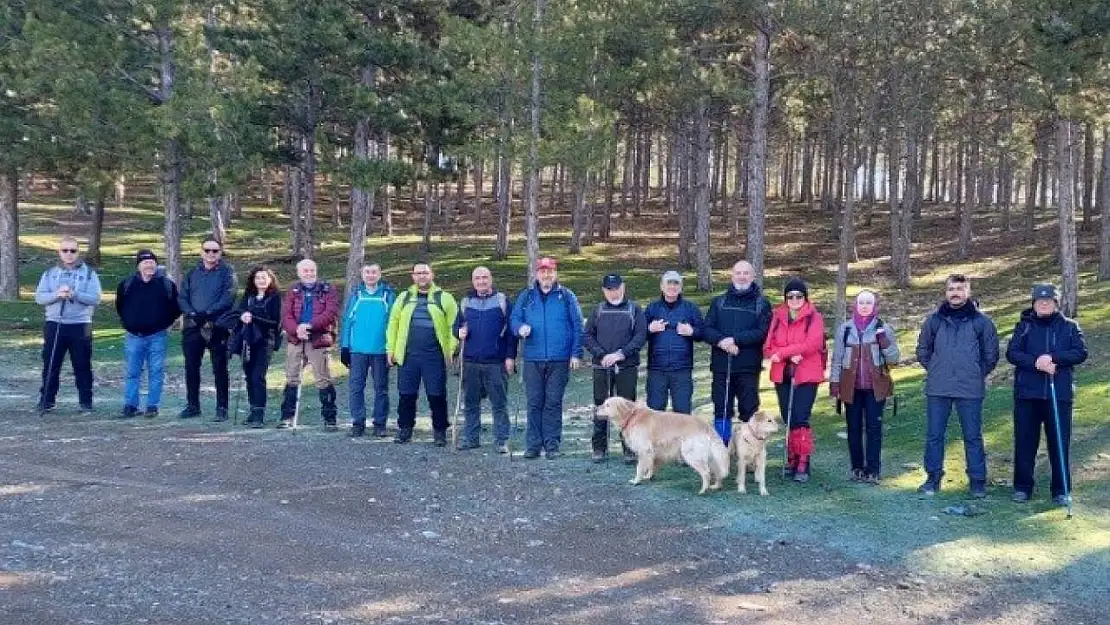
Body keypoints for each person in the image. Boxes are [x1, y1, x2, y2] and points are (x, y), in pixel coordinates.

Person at [915, 274, 999, 497]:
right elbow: (923, 350)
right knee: (934, 435)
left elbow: (991, 356)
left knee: (972, 436)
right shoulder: (934, 321)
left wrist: (974, 373)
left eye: (960, 289)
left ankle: (977, 481)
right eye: (952, 288)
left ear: (968, 292)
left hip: (969, 388)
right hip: (938, 388)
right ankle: (933, 478)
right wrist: (935, 369)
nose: (955, 293)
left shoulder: (982, 322)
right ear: (946, 292)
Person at [1005, 284, 1088, 505]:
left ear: (1056, 303)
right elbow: (1012, 353)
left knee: (1059, 442)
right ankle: (1022, 487)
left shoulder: (1069, 327)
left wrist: (1053, 358)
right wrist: (1036, 363)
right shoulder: (1024, 326)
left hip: (1058, 395)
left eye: (1048, 300)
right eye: (1039, 300)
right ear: (1033, 303)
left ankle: (1061, 490)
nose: (1043, 303)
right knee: (1025, 442)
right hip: (1027, 394)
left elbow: (1080, 352)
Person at [510, 256, 584, 460]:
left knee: (553, 402)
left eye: (550, 271)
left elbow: (578, 325)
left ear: (555, 273)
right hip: (532, 358)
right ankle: (533, 445)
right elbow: (514, 319)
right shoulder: (526, 297)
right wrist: (519, 328)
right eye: (542, 271)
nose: (546, 275)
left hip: (559, 358)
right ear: (537, 274)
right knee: (534, 402)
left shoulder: (566, 296)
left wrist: (575, 353)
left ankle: (552, 444)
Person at [829, 289, 900, 484]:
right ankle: (857, 467)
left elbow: (894, 359)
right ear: (855, 305)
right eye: (861, 302)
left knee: (874, 428)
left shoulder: (882, 327)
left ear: (874, 305)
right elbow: (837, 359)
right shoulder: (845, 330)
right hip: (850, 387)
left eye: (869, 302)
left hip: (875, 388)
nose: (865, 306)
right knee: (853, 428)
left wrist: (884, 341)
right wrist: (835, 383)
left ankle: (873, 470)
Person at [386, 262, 459, 446]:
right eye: (418, 273)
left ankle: (440, 431)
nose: (421, 276)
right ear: (413, 276)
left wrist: (451, 349)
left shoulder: (445, 298)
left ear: (431, 275)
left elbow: (454, 325)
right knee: (406, 394)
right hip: (408, 355)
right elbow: (393, 324)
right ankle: (405, 429)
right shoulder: (404, 298)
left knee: (436, 394)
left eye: (425, 273)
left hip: (434, 356)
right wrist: (391, 349)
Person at [763, 278, 827, 483]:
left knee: (800, 416)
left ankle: (803, 461)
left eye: (799, 296)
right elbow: (767, 346)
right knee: (787, 415)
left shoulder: (813, 317)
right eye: (790, 296)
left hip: (806, 372)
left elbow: (813, 343)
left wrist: (784, 353)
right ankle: (792, 457)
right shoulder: (777, 316)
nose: (794, 299)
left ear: (805, 297)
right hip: (783, 373)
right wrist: (784, 355)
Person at [701, 260, 772, 445]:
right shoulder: (719, 302)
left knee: (749, 409)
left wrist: (735, 340)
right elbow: (706, 329)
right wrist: (722, 342)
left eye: (746, 273)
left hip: (748, 367)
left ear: (752, 276)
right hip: (721, 366)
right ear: (732, 275)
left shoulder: (762, 304)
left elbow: (762, 332)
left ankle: (748, 449)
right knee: (721, 408)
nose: (742, 276)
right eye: (738, 272)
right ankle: (721, 449)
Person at [34, 236, 102, 413]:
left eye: (73, 251)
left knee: (82, 365)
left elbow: (95, 299)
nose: (69, 254)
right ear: (59, 252)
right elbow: (39, 297)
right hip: (55, 324)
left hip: (80, 325)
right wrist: (57, 294)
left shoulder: (88, 273)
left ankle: (86, 402)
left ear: (78, 252)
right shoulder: (50, 273)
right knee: (51, 363)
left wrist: (75, 294)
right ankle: (47, 401)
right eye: (65, 250)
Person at [453, 266, 517, 452]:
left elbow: (512, 333)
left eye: (485, 277)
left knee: (499, 404)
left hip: (496, 362)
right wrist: (458, 332)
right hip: (470, 362)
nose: (481, 281)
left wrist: (510, 357)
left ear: (491, 279)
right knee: (471, 403)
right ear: (473, 281)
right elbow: (456, 327)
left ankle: (501, 441)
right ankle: (471, 438)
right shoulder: (466, 302)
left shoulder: (502, 301)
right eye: (477, 278)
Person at [584, 273, 647, 463]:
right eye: (609, 289)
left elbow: (640, 336)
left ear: (623, 287)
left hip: (626, 365)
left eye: (617, 288)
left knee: (627, 406)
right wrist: (602, 355)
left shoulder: (634, 309)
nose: (614, 292)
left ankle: (629, 448)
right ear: (604, 290)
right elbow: (587, 336)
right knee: (601, 406)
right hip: (602, 366)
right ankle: (599, 448)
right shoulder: (598, 310)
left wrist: (621, 354)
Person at [177, 236, 238, 420]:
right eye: (207, 250)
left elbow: (229, 297)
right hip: (193, 326)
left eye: (215, 251)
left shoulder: (228, 273)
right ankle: (193, 405)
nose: (211, 254)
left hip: (217, 325)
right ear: (201, 252)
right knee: (191, 367)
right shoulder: (192, 273)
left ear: (220, 253)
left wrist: (209, 313)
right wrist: (193, 314)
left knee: (219, 367)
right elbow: (182, 297)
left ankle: (222, 408)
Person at [115, 249, 181, 418]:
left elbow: (176, 308)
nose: (149, 265)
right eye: (145, 262)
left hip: (157, 336)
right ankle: (130, 405)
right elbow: (120, 306)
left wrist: (164, 324)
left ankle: (152, 406)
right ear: (139, 266)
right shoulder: (127, 284)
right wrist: (129, 323)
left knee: (156, 371)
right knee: (132, 372)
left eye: (152, 262)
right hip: (134, 336)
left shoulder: (166, 285)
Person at [279, 259, 341, 430]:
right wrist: (296, 328)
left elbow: (331, 312)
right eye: (305, 270)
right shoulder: (293, 290)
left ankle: (330, 418)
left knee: (322, 378)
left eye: (312, 270)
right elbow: (286, 314)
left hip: (318, 338)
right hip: (296, 338)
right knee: (292, 376)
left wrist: (311, 325)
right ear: (299, 273)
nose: (309, 273)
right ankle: (287, 416)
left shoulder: (327, 289)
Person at [341, 264, 396, 438]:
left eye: (374, 272)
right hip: (358, 350)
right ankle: (358, 422)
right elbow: (347, 322)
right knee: (356, 388)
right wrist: (344, 346)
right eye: (367, 272)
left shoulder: (387, 295)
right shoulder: (356, 295)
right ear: (362, 274)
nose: (371, 275)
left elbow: (394, 323)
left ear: (379, 274)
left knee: (381, 388)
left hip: (380, 351)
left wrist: (392, 348)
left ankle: (380, 424)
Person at [643, 270, 703, 414]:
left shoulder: (690, 308)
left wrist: (692, 332)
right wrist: (649, 329)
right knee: (655, 414)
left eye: (676, 283)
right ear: (662, 287)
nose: (672, 287)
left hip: (682, 369)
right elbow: (638, 335)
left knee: (682, 414)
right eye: (668, 283)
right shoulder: (652, 308)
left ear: (681, 287)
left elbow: (703, 332)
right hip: (657, 369)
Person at [231, 265, 282, 428]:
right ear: (253, 280)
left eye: (264, 278)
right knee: (249, 376)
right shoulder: (248, 296)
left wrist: (254, 318)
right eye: (257, 278)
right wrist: (242, 316)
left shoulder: (274, 298)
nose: (261, 281)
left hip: (266, 341)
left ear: (270, 279)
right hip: (248, 340)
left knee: (257, 377)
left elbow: (275, 322)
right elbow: (238, 313)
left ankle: (259, 413)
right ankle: (253, 411)